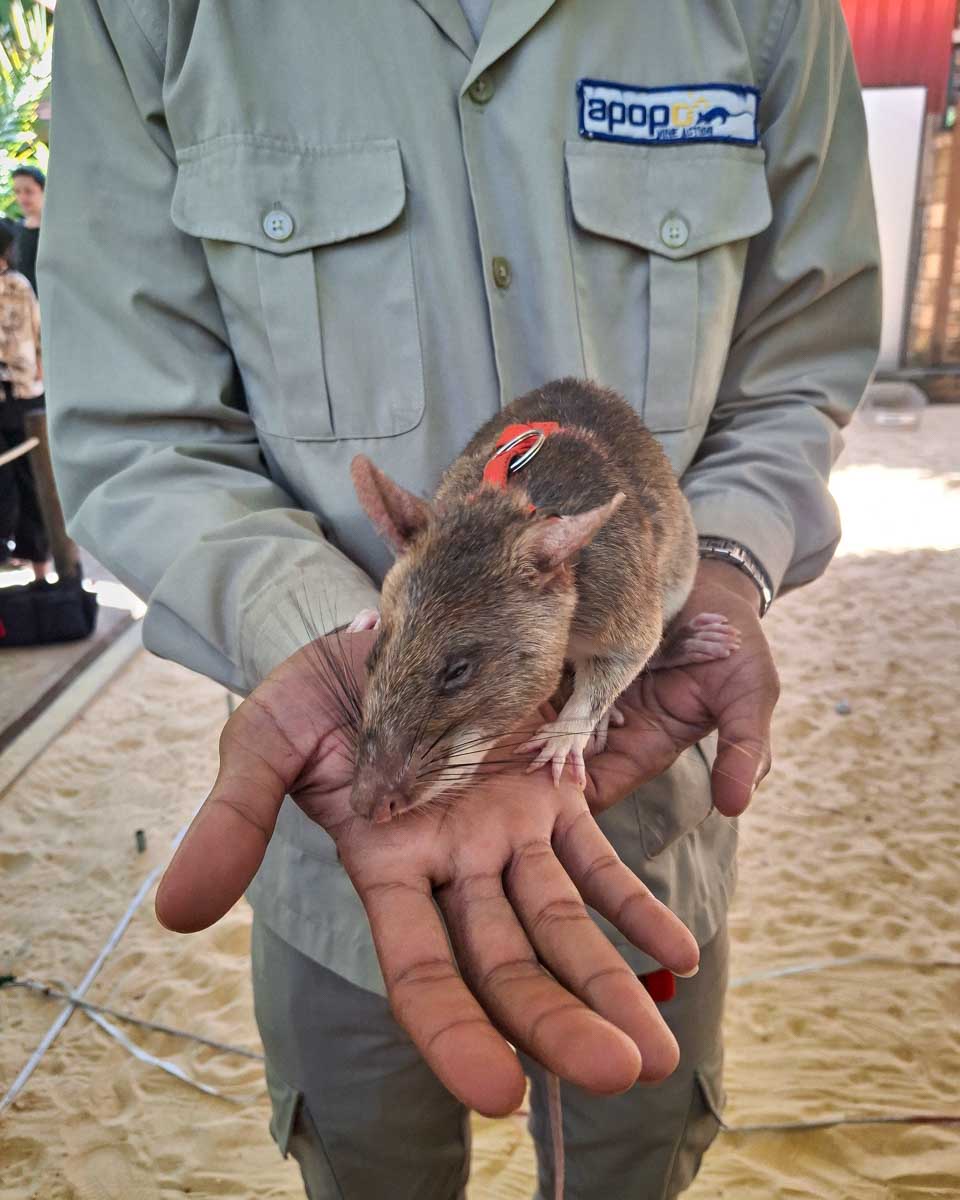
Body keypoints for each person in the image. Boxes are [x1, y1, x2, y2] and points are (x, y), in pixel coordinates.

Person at [40, 2, 881, 1197]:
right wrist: (332, 647)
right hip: (340, 847)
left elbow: (797, 367)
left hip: (649, 818)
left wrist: (728, 574)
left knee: (633, 1155)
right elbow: (141, 431)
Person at [0, 222, 48, 579]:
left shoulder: (17, 285)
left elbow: (36, 337)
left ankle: (41, 568)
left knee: (31, 481)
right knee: (8, 482)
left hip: (22, 394)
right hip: (14, 396)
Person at [10, 165, 44, 297]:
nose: (22, 198)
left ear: (43, 190)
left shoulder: (57, 231)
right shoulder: (13, 230)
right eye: (17, 192)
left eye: (29, 191)